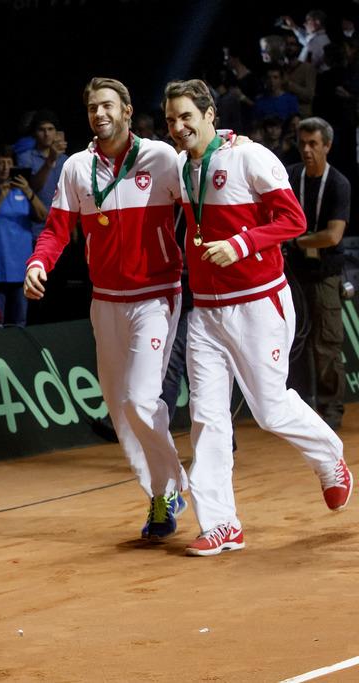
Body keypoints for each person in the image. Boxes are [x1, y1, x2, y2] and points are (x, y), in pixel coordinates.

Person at [162, 79, 351, 557]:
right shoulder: (184, 167)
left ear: (209, 114)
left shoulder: (250, 157)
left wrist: (241, 243)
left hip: (258, 301)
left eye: (186, 116)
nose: (178, 127)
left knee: (269, 410)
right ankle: (221, 523)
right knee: (206, 417)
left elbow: (294, 221)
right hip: (206, 312)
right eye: (170, 120)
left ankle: (330, 460)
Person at [24, 77, 187, 542]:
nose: (100, 114)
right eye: (93, 107)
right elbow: (57, 229)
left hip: (156, 295)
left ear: (128, 110)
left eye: (108, 106)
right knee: (119, 409)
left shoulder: (160, 158)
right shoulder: (77, 167)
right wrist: (39, 262)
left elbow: (197, 195)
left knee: (140, 397)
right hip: (106, 300)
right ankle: (159, 493)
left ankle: (169, 487)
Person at [285, 117, 350, 429]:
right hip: (294, 274)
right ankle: (298, 407)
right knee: (295, 342)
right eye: (302, 143)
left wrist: (297, 239)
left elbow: (333, 236)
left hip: (325, 274)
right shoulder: (291, 175)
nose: (307, 150)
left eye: (313, 144)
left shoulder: (338, 183)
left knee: (326, 344)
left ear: (328, 146)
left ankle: (332, 409)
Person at [0, 145, 47, 327]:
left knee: (19, 322)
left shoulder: (23, 191)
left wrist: (29, 192)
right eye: (1, 163)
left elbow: (43, 216)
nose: (5, 167)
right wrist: (1, 196)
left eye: (9, 163)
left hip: (21, 270)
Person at [16, 110, 68, 234]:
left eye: (50, 129)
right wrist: (50, 161)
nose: (46, 134)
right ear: (34, 133)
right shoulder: (25, 157)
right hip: (35, 227)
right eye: (41, 130)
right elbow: (33, 187)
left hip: (62, 227)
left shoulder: (66, 160)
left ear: (56, 133)